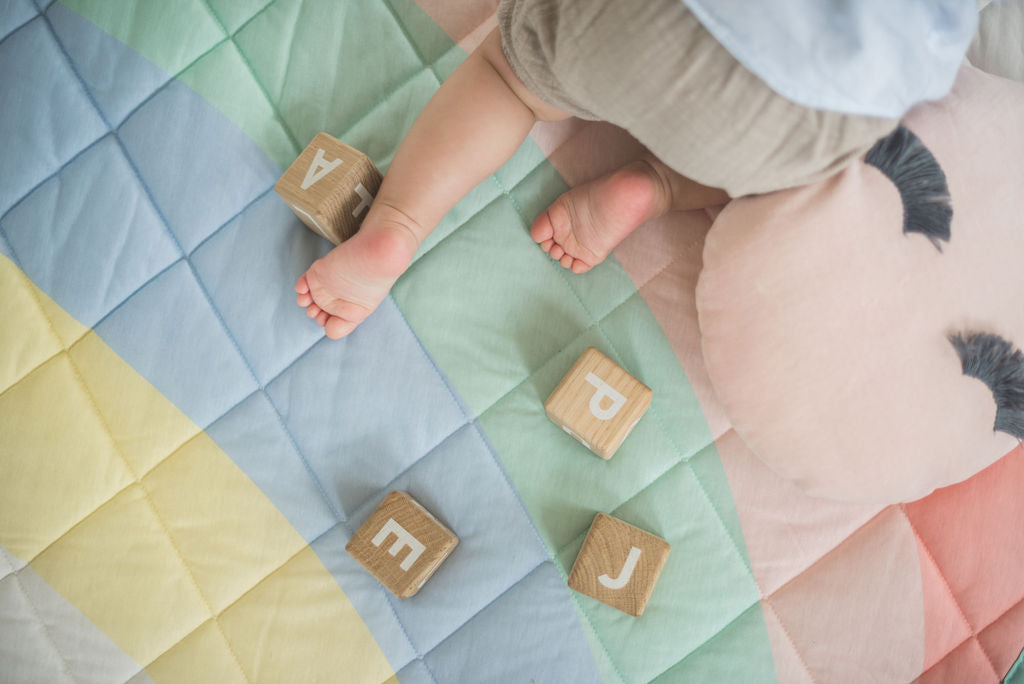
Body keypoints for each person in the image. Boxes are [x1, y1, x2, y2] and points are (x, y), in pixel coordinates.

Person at [295, 0, 977, 340]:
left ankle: (397, 226)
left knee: (510, 80)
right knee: (796, 175)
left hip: (652, 19)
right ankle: (660, 186)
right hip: (808, 107)